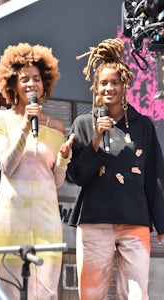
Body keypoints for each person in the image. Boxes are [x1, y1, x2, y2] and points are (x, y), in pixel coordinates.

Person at [67, 38, 164, 300]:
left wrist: (161, 223)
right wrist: (96, 142)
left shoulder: (143, 125)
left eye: (114, 82)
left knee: (136, 294)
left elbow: (155, 176)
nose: (109, 88)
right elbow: (75, 175)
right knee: (91, 294)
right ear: (95, 88)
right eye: (103, 83)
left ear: (124, 85)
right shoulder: (83, 124)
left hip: (134, 221)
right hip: (95, 220)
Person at [0, 42, 74, 300]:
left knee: (46, 292)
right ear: (12, 84)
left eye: (36, 79)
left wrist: (63, 159)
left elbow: (56, 181)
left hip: (47, 220)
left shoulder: (57, 127)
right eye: (24, 79)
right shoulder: (0, 119)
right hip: (11, 219)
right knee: (10, 292)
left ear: (44, 83)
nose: (31, 84)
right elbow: (7, 166)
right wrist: (25, 126)